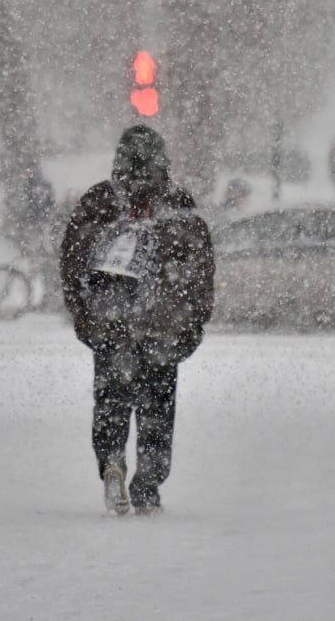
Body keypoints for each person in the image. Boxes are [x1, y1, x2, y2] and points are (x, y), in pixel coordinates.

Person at [60, 125, 215, 516]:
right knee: (157, 406)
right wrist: (193, 322)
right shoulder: (177, 203)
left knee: (110, 399)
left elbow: (72, 262)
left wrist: (85, 318)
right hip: (163, 323)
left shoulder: (99, 201)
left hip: (110, 322)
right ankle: (148, 484)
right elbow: (200, 269)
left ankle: (112, 458)